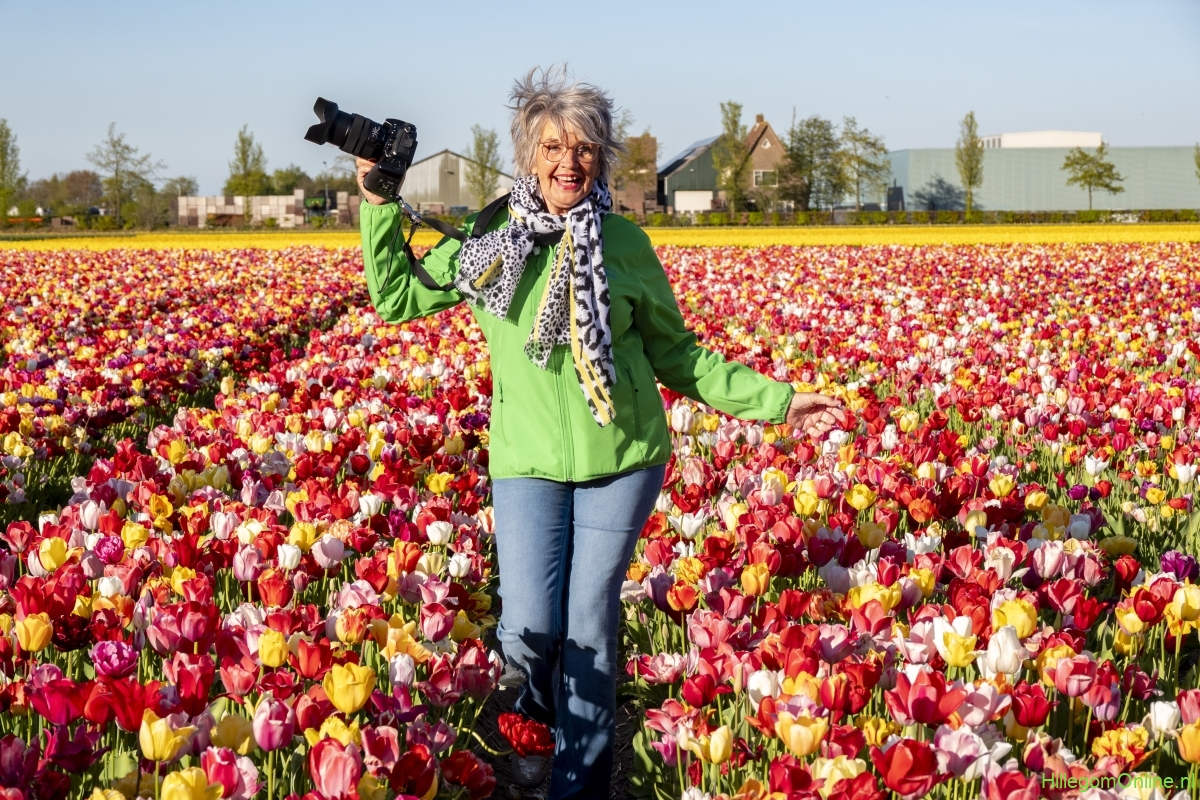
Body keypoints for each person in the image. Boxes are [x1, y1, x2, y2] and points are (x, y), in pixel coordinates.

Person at [357, 66, 845, 799]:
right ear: (528, 155)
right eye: (553, 147)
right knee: (526, 627)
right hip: (526, 459)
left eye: (584, 148)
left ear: (602, 157)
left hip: (622, 458)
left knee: (587, 620)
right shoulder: (490, 240)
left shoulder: (624, 244)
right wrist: (375, 202)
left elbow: (679, 355)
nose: (568, 163)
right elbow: (396, 296)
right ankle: (530, 731)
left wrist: (780, 402)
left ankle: (577, 786)